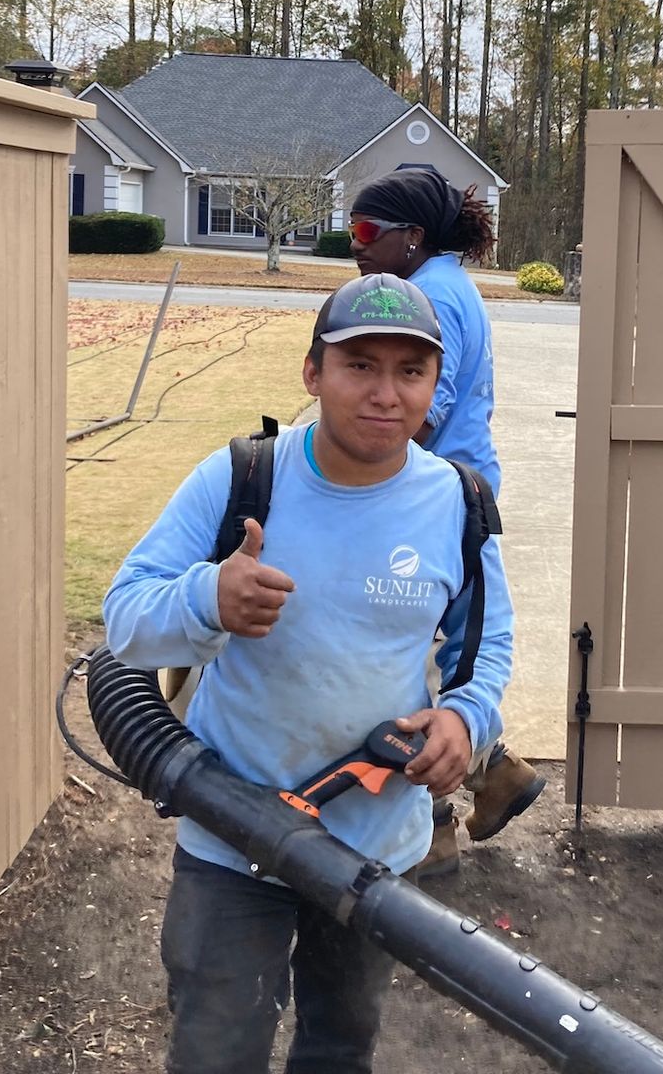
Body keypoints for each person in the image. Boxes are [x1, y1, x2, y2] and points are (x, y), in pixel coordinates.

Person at [102, 272, 514, 1074]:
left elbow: (484, 651)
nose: (385, 393)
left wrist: (466, 720)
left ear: (436, 385)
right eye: (359, 364)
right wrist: (207, 598)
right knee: (216, 1050)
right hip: (233, 834)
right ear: (313, 372)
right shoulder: (241, 475)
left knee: (339, 1046)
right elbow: (125, 617)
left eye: (410, 371)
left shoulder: (460, 505)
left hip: (373, 848)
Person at [346, 168, 545, 875]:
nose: (356, 248)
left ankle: (436, 830)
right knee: (425, 652)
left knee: (402, 656)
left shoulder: (430, 294)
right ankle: (494, 779)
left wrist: (355, 467)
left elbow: (425, 406)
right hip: (453, 492)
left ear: (413, 237)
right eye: (352, 232)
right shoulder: (446, 284)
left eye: (368, 233)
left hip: (438, 502)